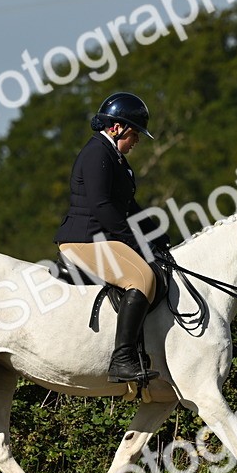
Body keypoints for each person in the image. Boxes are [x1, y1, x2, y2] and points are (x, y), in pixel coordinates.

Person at [54, 92, 170, 384]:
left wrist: (158, 236)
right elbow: (102, 207)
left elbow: (129, 206)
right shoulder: (97, 154)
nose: (137, 141)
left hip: (103, 238)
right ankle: (122, 359)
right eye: (135, 134)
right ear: (117, 128)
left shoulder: (116, 158)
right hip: (85, 240)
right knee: (142, 278)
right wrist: (136, 244)